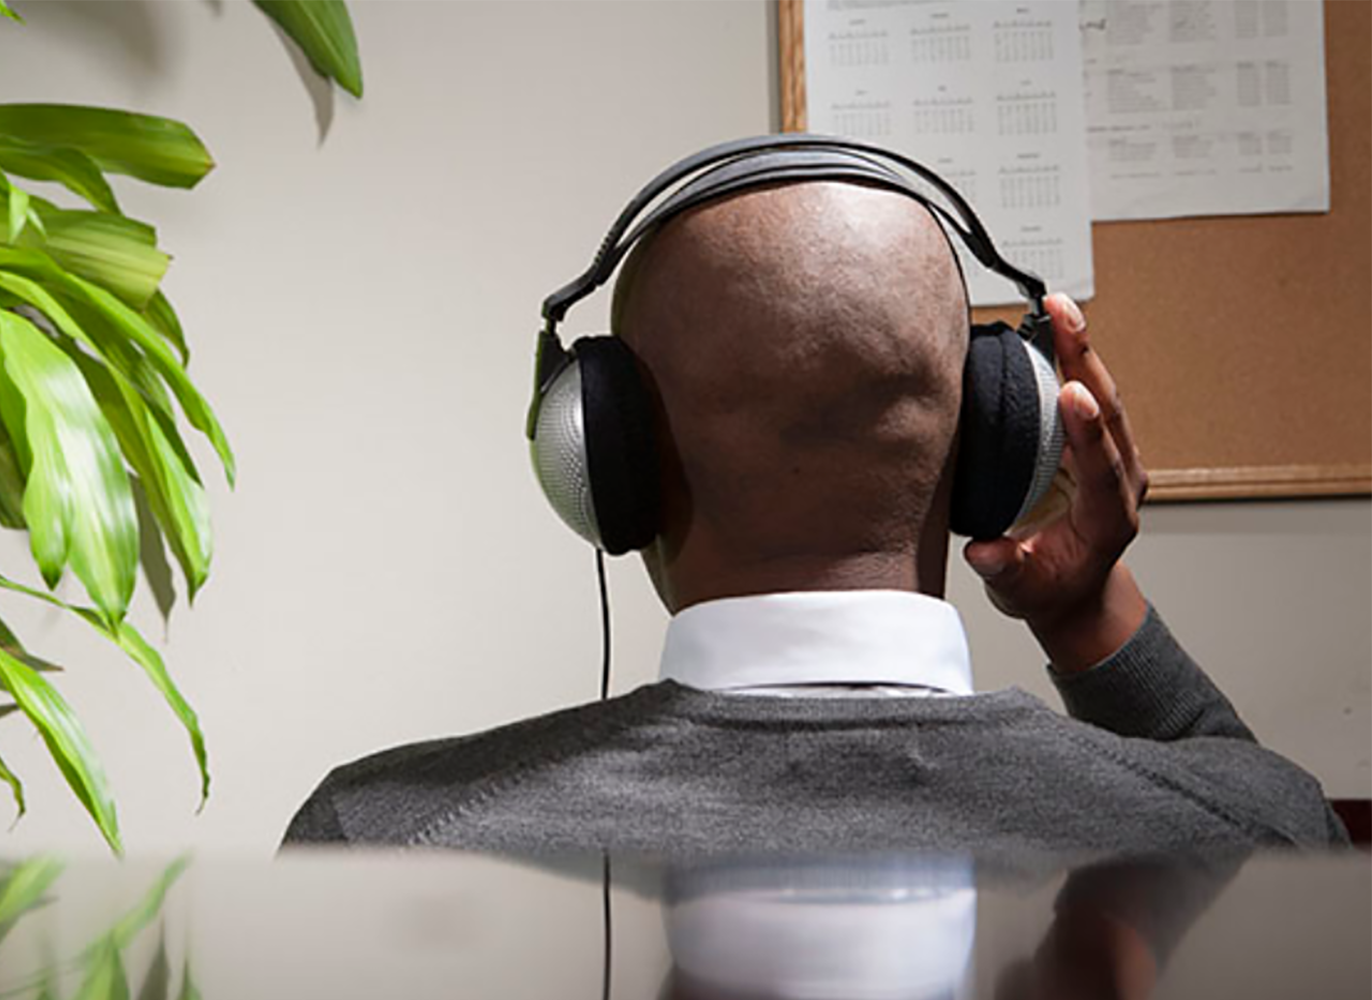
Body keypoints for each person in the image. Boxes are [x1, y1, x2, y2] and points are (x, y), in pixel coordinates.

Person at [281, 174, 1346, 854]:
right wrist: (1086, 613)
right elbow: (1261, 816)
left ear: (604, 460)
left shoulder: (377, 840)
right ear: (996, 440)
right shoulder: (1251, 835)